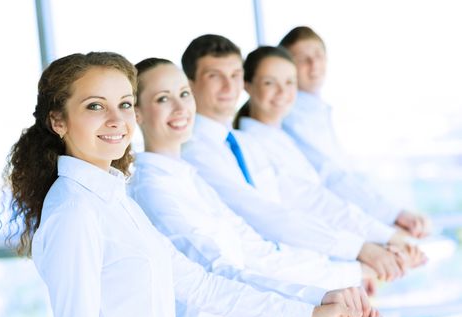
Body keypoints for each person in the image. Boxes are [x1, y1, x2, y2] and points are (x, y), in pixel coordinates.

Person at [2, 51, 368, 317]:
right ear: (58, 121)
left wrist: (310, 314)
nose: (116, 119)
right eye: (95, 106)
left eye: (125, 104)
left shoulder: (115, 200)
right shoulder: (75, 211)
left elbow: (200, 284)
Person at [130, 57, 378, 317]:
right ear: (137, 113)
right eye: (162, 98)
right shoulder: (153, 190)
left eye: (184, 94)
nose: (180, 107)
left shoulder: (190, 179)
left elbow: (251, 248)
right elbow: (217, 271)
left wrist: (320, 294)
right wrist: (311, 307)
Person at [180, 34, 406, 282]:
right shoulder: (195, 152)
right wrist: (357, 255)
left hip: (296, 276)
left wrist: (348, 269)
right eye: (214, 76)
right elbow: (265, 217)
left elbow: (302, 205)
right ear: (189, 84)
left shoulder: (244, 144)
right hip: (254, 286)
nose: (228, 86)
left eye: (234, 75)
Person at [235, 45, 427, 270]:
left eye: (289, 82)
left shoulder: (280, 139)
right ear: (247, 86)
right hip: (304, 269)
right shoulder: (253, 145)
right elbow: (313, 205)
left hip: (326, 264)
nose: (282, 92)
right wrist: (383, 239)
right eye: (269, 83)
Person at [278, 26, 430, 238]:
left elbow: (347, 174)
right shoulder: (292, 117)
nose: (314, 65)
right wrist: (392, 215)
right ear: (287, 67)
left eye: (318, 56)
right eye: (303, 59)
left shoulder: (317, 110)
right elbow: (331, 177)